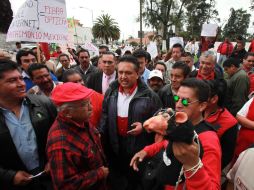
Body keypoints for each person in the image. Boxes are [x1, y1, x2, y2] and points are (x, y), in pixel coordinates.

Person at [131, 78, 221, 190]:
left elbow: (213, 187)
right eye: (176, 98)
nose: (178, 105)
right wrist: (146, 151)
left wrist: (192, 165)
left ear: (202, 106)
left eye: (185, 101)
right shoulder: (178, 125)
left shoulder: (208, 140)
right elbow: (166, 144)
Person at [99, 55, 162, 190]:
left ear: (137, 74)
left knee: (136, 182)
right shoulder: (111, 92)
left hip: (138, 149)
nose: (123, 76)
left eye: (128, 73)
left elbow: (159, 122)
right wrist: (101, 134)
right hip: (115, 147)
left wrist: (145, 127)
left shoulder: (150, 96)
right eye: (120, 72)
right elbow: (104, 115)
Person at [0, 59, 57, 190]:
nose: (21, 84)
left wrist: (53, 159)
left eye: (20, 78)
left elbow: (59, 135)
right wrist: (9, 176)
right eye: (12, 80)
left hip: (48, 177)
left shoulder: (43, 103)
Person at [47, 82, 108, 190]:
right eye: (85, 105)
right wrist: (99, 173)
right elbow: (65, 185)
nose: (91, 107)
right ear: (67, 112)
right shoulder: (60, 144)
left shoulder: (81, 120)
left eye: (90, 102)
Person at [204, 79, 238, 169]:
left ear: (214, 99)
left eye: (201, 95)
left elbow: (226, 156)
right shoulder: (193, 109)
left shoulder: (230, 123)